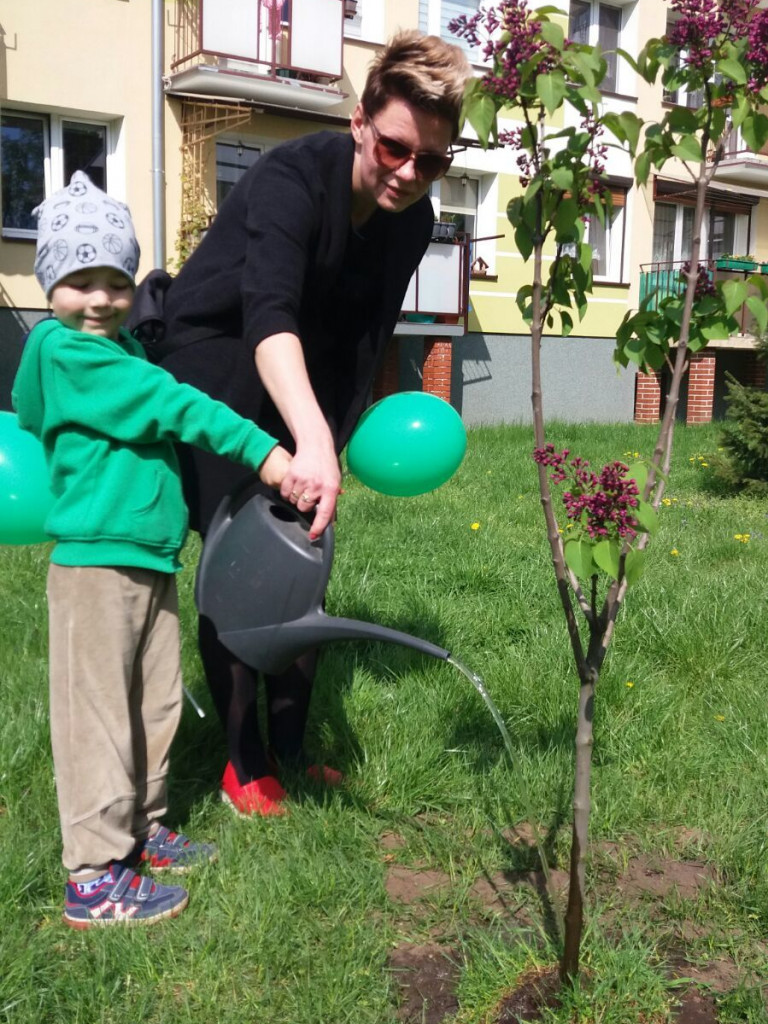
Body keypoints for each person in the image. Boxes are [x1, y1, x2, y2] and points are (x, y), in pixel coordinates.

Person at [131, 31, 471, 817]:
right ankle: (243, 764)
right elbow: (269, 315)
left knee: (306, 554)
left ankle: (293, 749)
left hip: (299, 380)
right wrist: (304, 439)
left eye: (432, 161)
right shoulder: (292, 178)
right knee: (249, 558)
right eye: (394, 148)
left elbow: (361, 342)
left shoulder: (412, 221)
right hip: (213, 363)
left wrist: (331, 445)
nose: (408, 173)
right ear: (360, 122)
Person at [12, 171, 292, 928]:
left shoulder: (122, 349)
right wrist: (266, 453)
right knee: (99, 715)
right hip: (97, 564)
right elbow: (176, 404)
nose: (99, 299)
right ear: (49, 286)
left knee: (154, 702)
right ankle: (95, 873)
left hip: (146, 554)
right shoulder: (69, 353)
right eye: (78, 281)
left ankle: (142, 827)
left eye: (115, 279)